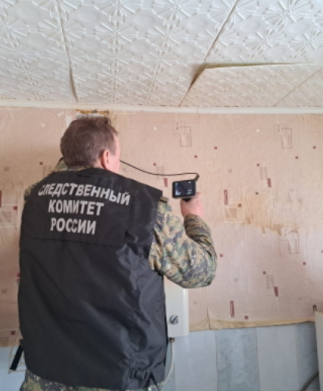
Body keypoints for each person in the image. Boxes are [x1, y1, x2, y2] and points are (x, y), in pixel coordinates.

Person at [18, 116, 217, 391]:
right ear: (106, 157)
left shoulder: (34, 198)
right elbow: (201, 272)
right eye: (118, 158)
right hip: (117, 377)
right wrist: (193, 218)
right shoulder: (143, 208)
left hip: (44, 375)